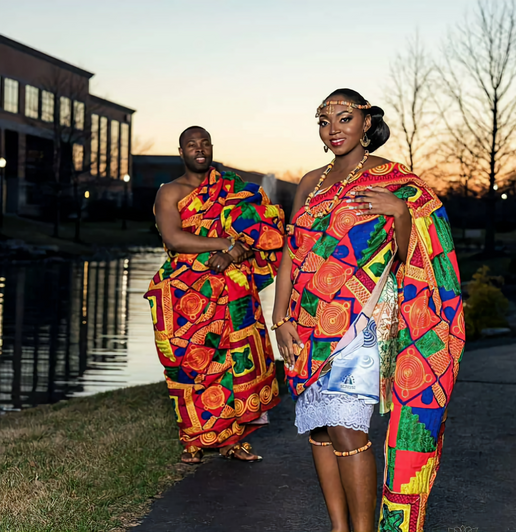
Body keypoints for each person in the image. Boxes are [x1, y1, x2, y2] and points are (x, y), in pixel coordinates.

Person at [272, 89, 464, 532]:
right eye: (324, 121)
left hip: (363, 320)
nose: (333, 129)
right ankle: (339, 527)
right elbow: (290, 254)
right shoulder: (310, 182)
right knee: (320, 428)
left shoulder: (395, 180)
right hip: (306, 318)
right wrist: (280, 318)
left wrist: (400, 213)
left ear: (366, 123)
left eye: (344, 118)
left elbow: (413, 256)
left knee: (347, 430)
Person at [145, 126, 285, 464]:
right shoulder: (169, 191)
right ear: (181, 152)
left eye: (204, 143)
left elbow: (263, 228)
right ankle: (193, 439)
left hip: (234, 290)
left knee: (236, 363)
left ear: (211, 147)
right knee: (191, 364)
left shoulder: (233, 189)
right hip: (187, 293)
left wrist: (235, 252)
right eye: (191, 144)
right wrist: (225, 244)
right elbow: (174, 238)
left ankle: (233, 440)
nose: (199, 149)